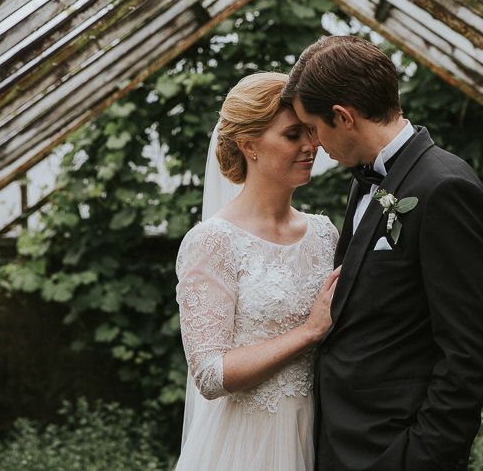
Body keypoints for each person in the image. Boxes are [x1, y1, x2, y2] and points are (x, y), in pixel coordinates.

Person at [283, 35, 483, 470]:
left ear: (343, 116)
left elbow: (469, 350)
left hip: (395, 451)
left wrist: (422, 457)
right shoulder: (364, 180)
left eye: (315, 129)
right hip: (339, 444)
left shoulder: (444, 187)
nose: (315, 145)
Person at [175, 71, 340, 470]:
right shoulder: (212, 242)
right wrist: (309, 333)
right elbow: (210, 373)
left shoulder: (324, 233)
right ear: (248, 145)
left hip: (318, 434)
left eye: (311, 132)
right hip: (242, 446)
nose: (311, 145)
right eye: (292, 135)